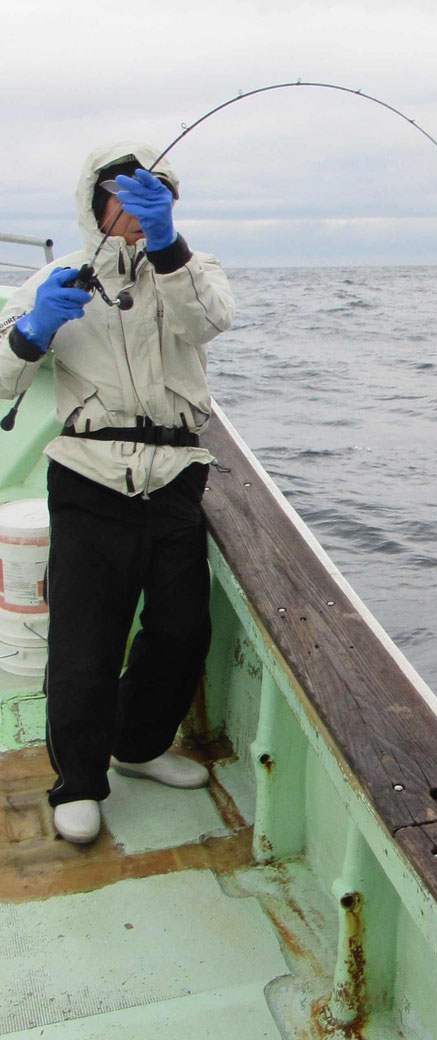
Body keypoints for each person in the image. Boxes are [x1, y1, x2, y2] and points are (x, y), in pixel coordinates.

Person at [0, 140, 234, 844]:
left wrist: (168, 247)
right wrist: (32, 331)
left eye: (152, 196)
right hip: (88, 474)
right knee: (84, 640)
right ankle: (77, 779)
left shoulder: (191, 270)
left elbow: (209, 321)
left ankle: (138, 747)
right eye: (124, 195)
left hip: (174, 476)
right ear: (92, 202)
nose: (136, 209)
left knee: (181, 628)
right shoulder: (52, 277)